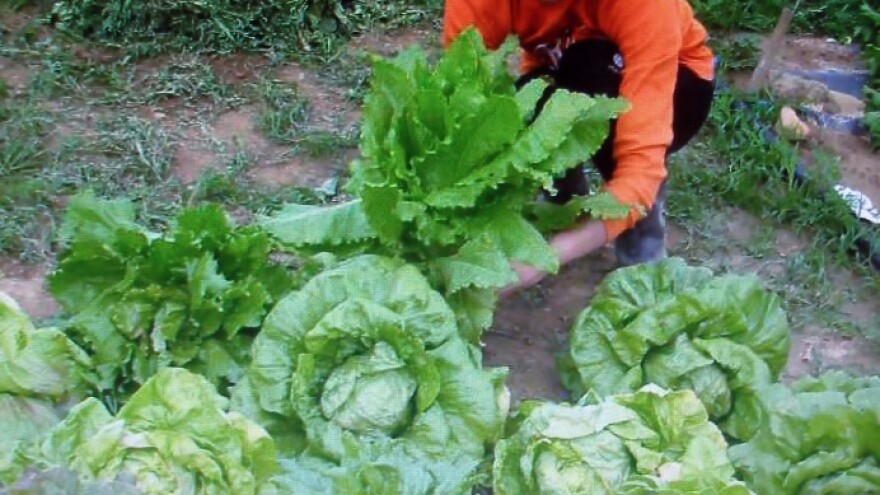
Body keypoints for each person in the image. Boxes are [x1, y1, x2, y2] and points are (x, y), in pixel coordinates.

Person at [442, 0, 717, 296]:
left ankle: (642, 251)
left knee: (587, 67)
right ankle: (562, 204)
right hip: (570, 64)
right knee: (527, 99)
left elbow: (641, 173)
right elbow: (460, 90)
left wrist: (539, 263)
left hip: (678, 79)